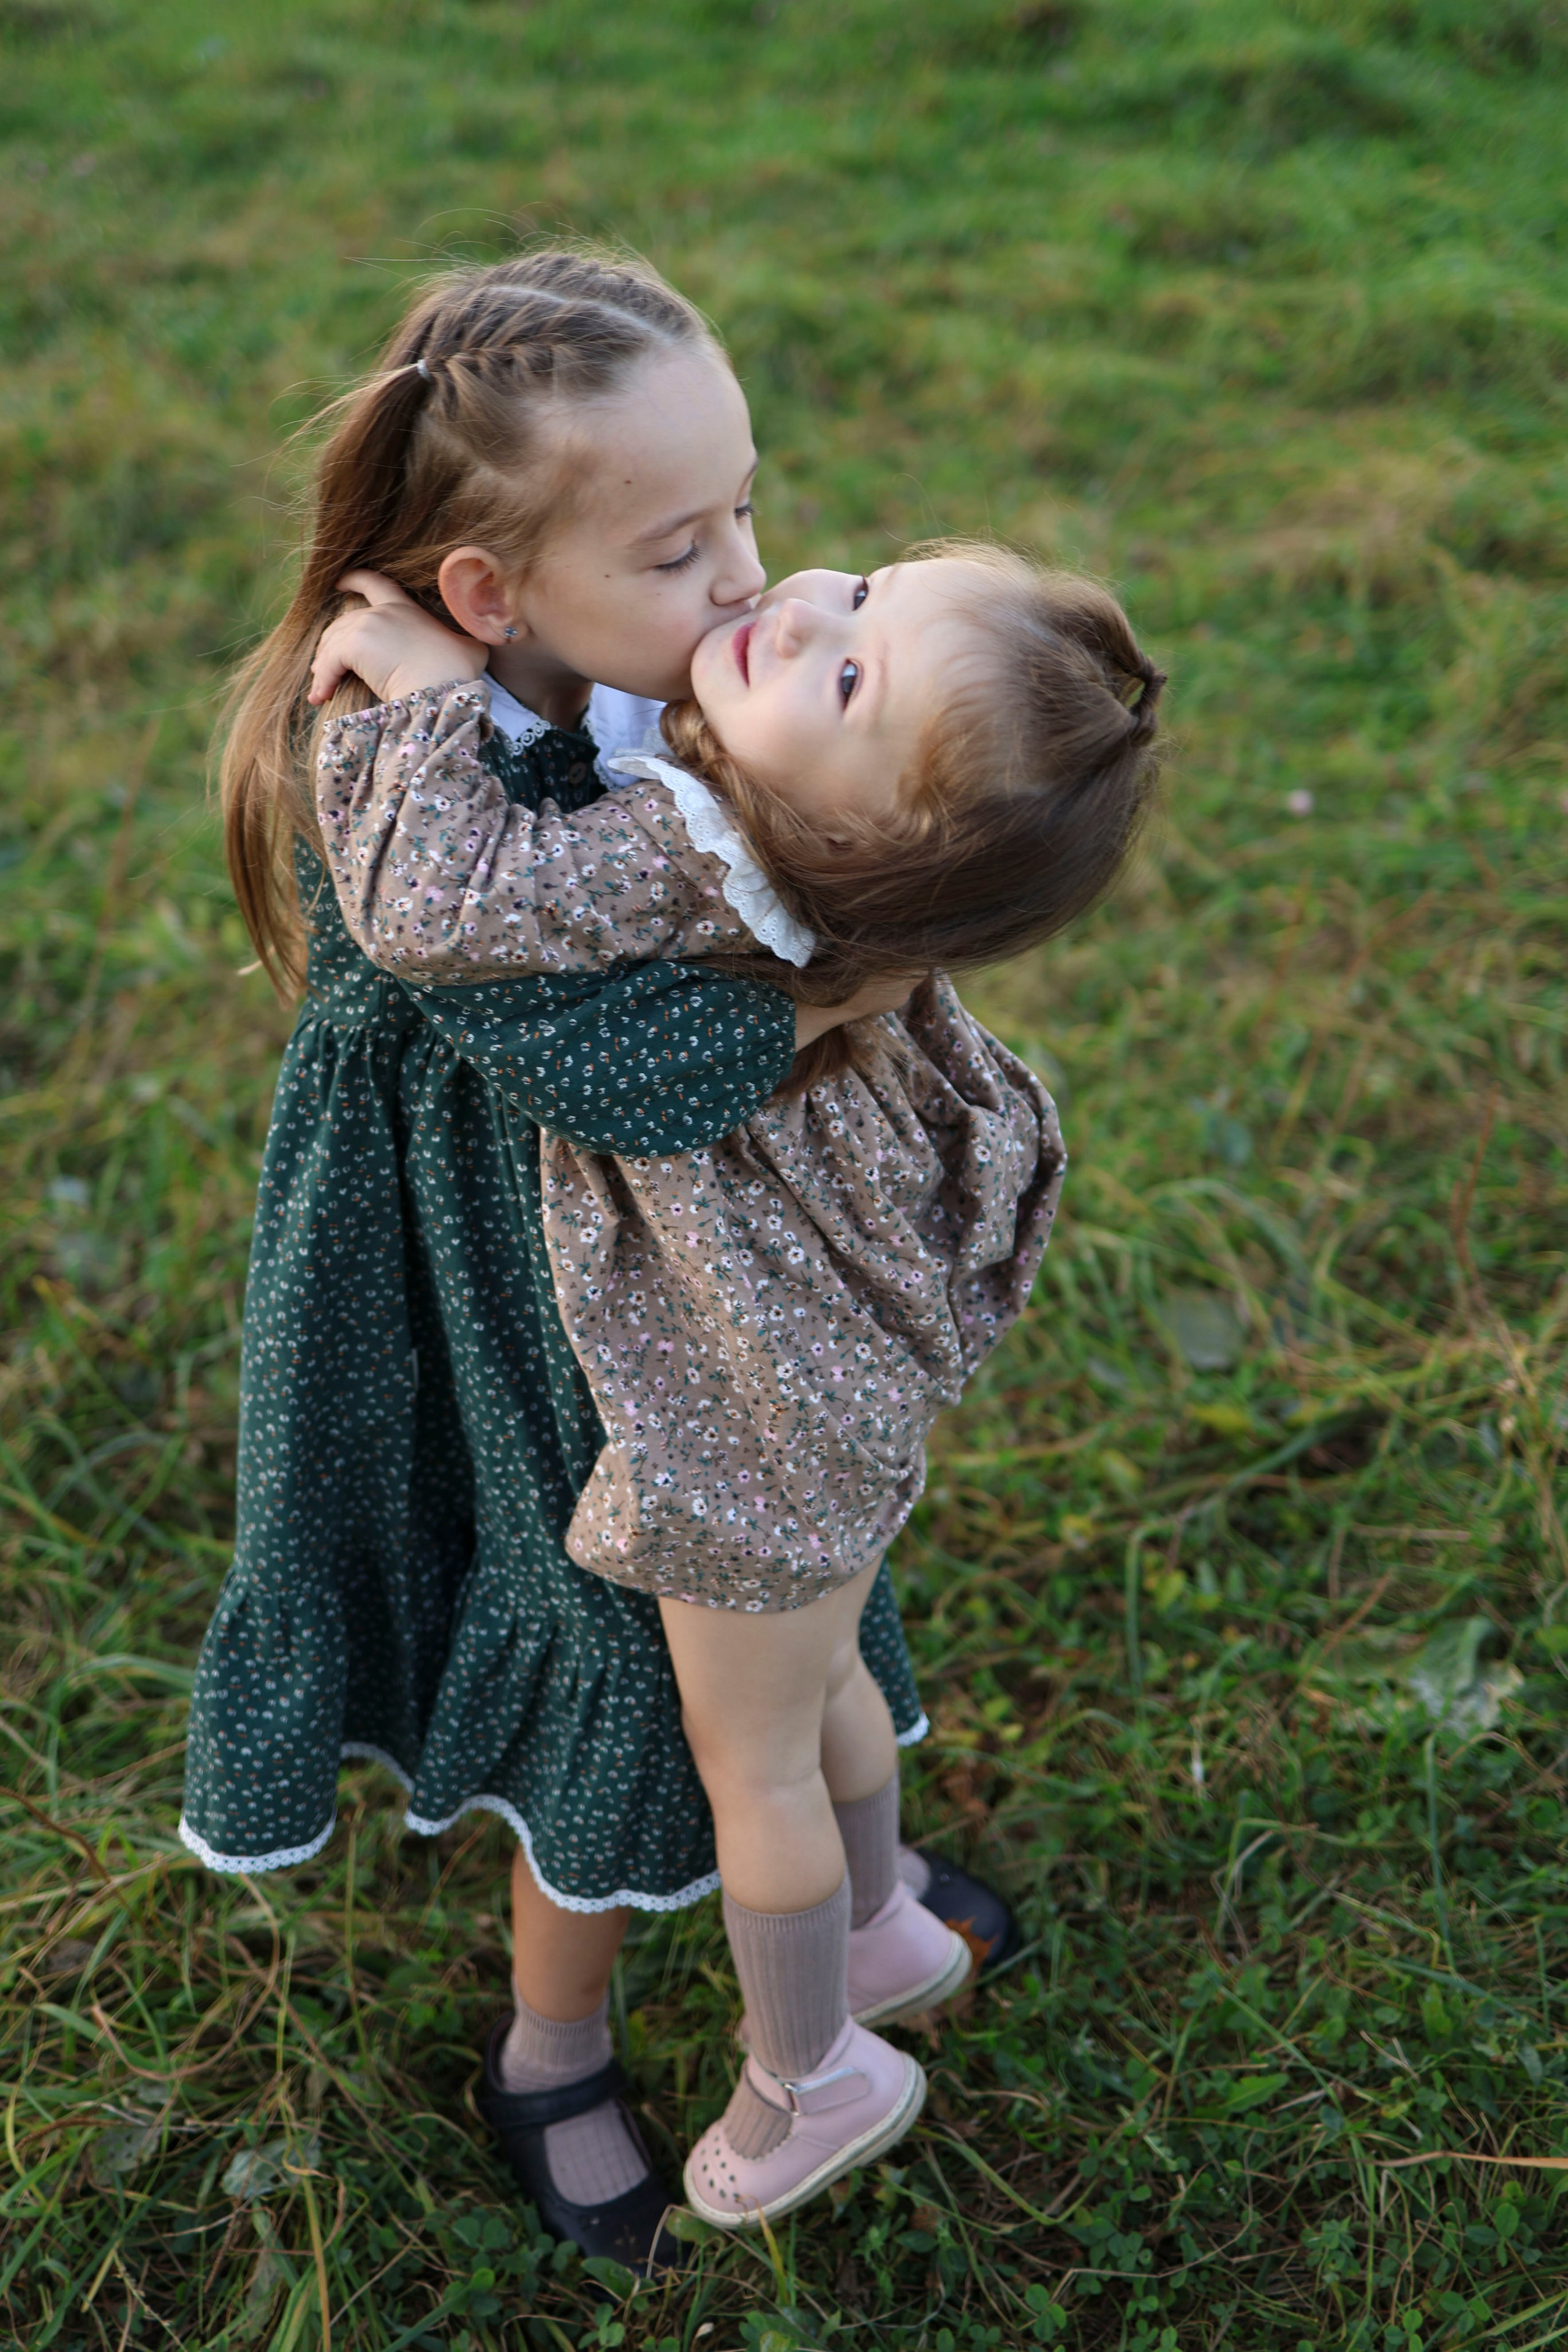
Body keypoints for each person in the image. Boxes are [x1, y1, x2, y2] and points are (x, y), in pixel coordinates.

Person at [183, 249, 1020, 2272]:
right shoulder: (390, 748)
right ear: (487, 594)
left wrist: (894, 900)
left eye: (750, 503)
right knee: (596, 1637)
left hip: (692, 1298)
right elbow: (622, 1066)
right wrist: (824, 992)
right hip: (491, 1279)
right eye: (682, 542)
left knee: (774, 1608)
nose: (747, 574)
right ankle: (553, 2051)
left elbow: (861, 814)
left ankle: (862, 1911)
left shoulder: (675, 666)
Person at [305, 527, 1163, 2226]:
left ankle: (813, 2076)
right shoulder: (825, 857)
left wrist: (421, 699)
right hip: (840, 1397)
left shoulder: (697, 857)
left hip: (744, 1427)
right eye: (860, 587)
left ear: (860, 836)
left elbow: (446, 906)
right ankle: (883, 1923)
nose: (801, 606)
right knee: (828, 1672)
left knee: (746, 1759)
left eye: (848, 669)